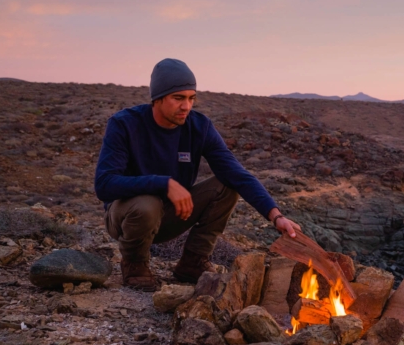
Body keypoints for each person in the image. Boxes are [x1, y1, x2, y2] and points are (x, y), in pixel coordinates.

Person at [95, 58, 299, 291]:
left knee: (226, 186)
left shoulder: (199, 127)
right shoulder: (125, 124)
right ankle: (134, 264)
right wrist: (163, 184)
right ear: (157, 98)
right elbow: (104, 184)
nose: (187, 106)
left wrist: (275, 215)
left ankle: (193, 262)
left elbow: (237, 174)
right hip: (127, 218)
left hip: (171, 215)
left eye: (191, 98)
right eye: (178, 98)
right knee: (147, 203)